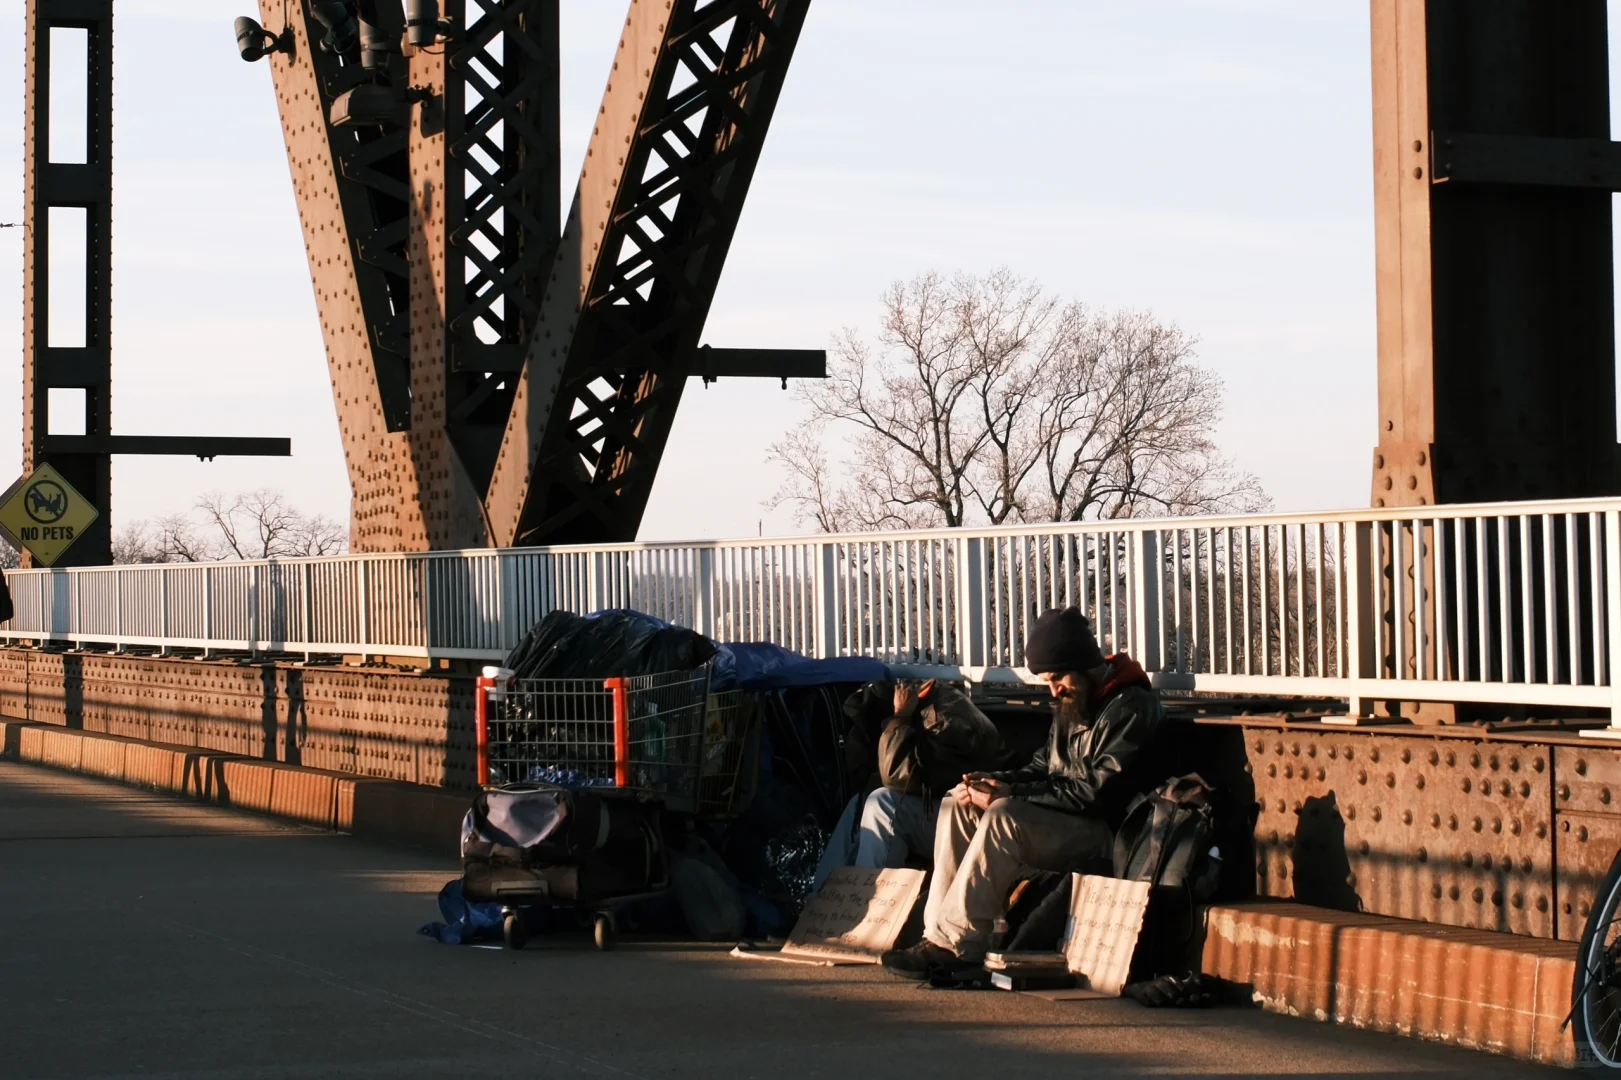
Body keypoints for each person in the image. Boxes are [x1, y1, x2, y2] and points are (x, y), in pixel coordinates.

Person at [880, 607, 1169, 979]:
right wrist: (991, 781)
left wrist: (1010, 794)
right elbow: (1041, 768)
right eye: (1047, 681)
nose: (1053, 690)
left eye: (1058, 677)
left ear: (1084, 665)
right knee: (958, 803)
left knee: (1003, 817)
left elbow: (1098, 793)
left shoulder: (1132, 708)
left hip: (1109, 834)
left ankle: (956, 944)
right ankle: (936, 938)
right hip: (1064, 820)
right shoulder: (1074, 697)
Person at [811, 678, 1003, 891]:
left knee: (883, 804)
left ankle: (868, 899)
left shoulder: (945, 717)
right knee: (859, 803)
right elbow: (867, 775)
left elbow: (895, 775)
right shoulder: (930, 708)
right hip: (944, 808)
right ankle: (820, 899)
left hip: (970, 820)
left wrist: (900, 717)